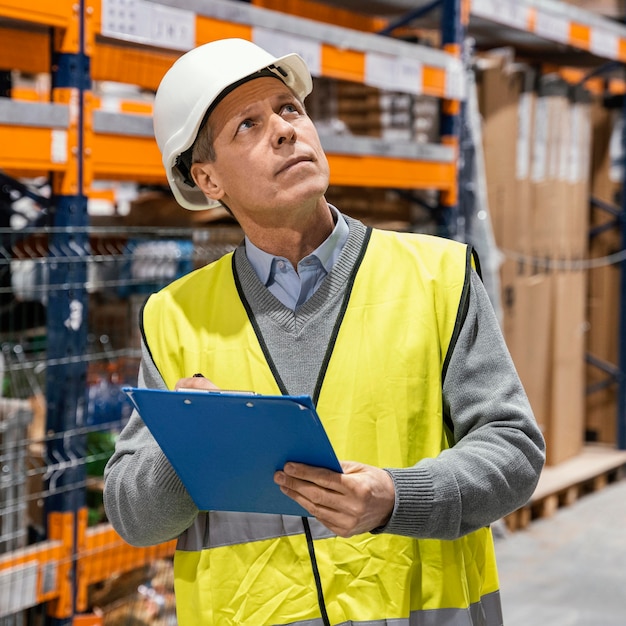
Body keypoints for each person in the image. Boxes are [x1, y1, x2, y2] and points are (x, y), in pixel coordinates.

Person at [103, 37, 545, 626]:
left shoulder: (436, 276)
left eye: (290, 109)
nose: (285, 131)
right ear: (207, 180)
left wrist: (395, 496)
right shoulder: (176, 315)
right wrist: (184, 447)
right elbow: (134, 518)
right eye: (248, 126)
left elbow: (513, 449)